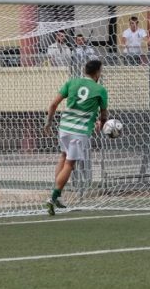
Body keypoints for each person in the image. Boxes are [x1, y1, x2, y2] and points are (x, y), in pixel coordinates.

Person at [43, 60, 108, 215]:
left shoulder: (71, 82)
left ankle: (57, 195)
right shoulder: (100, 89)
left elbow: (53, 105)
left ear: (84, 70)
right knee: (70, 165)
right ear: (98, 72)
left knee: (63, 156)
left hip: (64, 128)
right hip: (79, 132)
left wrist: (48, 123)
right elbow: (104, 114)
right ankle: (53, 197)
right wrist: (101, 124)